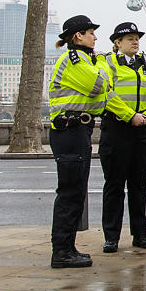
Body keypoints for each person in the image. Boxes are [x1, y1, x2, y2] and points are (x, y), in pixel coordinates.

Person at [48, 14, 108, 269]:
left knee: (75, 191)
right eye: (91, 32)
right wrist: (103, 62)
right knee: (70, 191)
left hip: (77, 130)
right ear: (78, 36)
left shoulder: (84, 60)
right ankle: (61, 250)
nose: (95, 37)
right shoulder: (75, 60)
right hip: (70, 130)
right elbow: (99, 85)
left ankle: (67, 247)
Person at [97, 21, 146, 253]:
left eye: (137, 38)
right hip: (117, 128)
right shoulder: (108, 62)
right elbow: (106, 92)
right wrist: (129, 115)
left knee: (139, 184)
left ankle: (140, 234)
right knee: (114, 184)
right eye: (129, 38)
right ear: (117, 43)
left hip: (142, 129)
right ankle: (111, 236)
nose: (135, 41)